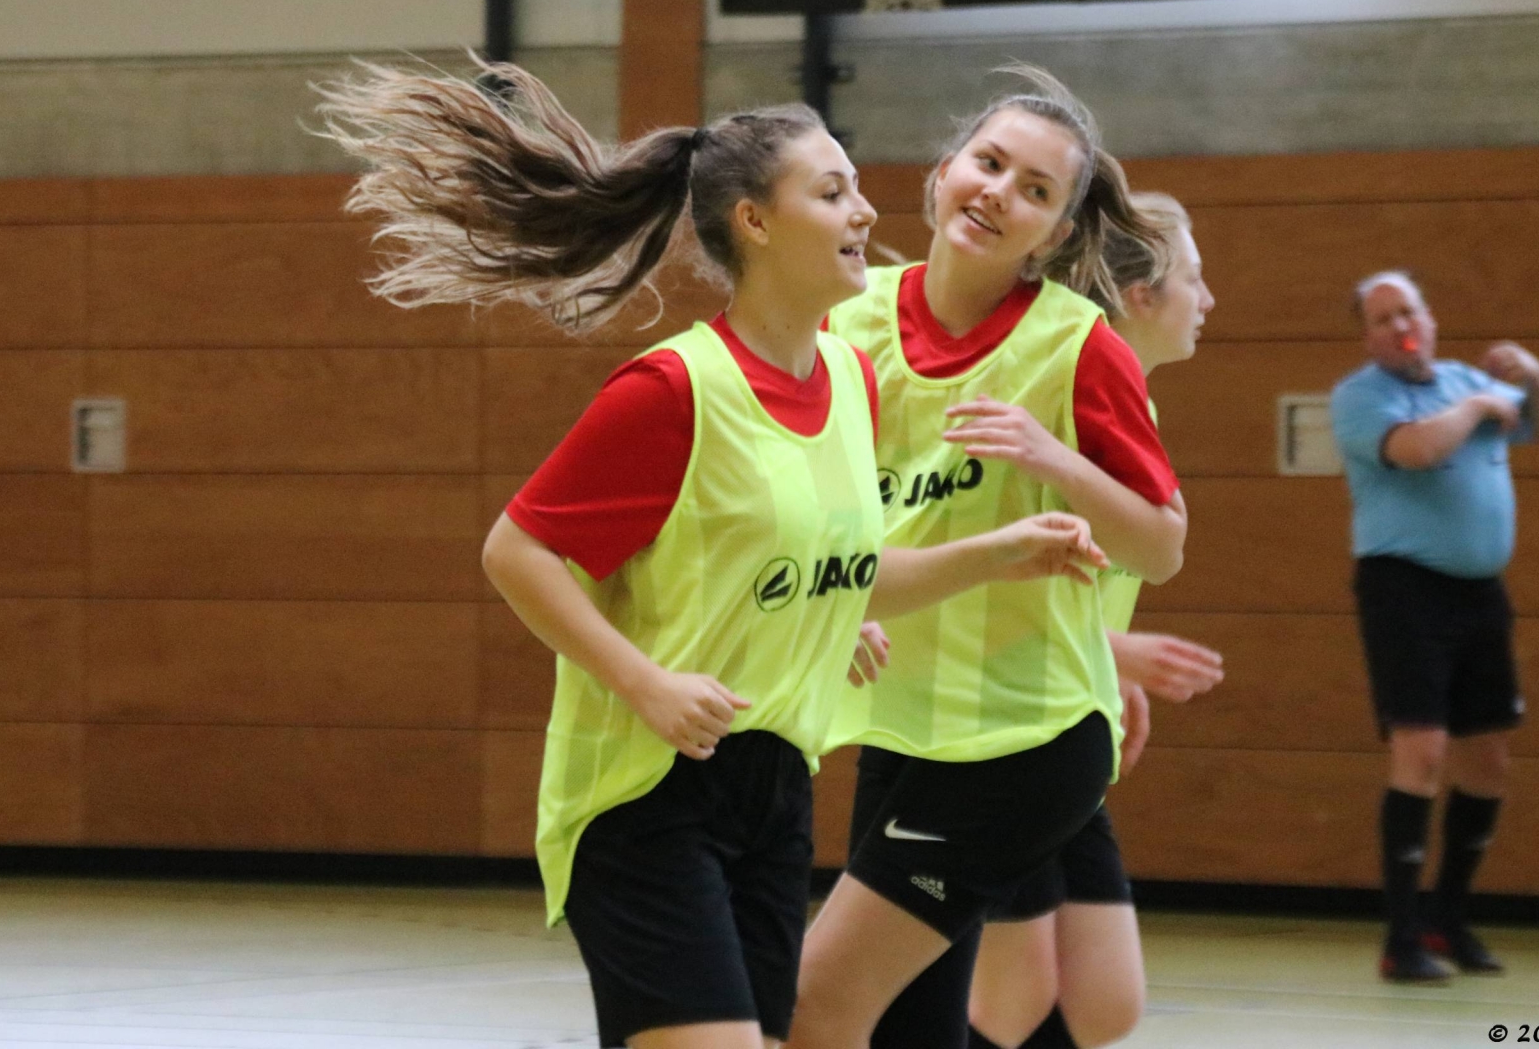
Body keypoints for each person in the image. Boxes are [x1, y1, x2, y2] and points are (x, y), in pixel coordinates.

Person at [318, 61, 1110, 1049]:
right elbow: (517, 551)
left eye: (856, 187)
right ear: (756, 222)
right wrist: (643, 681)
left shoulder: (850, 381)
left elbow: (842, 567)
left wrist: (977, 561)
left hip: (775, 791)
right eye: (832, 192)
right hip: (649, 791)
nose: (865, 209)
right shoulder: (672, 390)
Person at [789, 67, 1190, 1049]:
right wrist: (834, 606)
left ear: (1052, 234)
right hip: (900, 728)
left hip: (1018, 743)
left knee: (817, 1003)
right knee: (914, 1027)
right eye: (991, 162)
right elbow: (807, 512)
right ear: (943, 174)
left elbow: (1161, 545)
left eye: (1036, 189)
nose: (1001, 191)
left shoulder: (1076, 346)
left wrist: (1054, 459)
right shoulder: (846, 322)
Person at [964, 192, 1224, 1049]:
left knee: (1104, 1002)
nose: (1208, 298)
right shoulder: (1053, 399)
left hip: (1066, 720)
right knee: (1011, 999)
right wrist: (1110, 649)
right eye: (1194, 278)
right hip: (997, 730)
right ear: (1141, 296)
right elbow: (977, 588)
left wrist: (1103, 666)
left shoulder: (1130, 407)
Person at [1329, 270, 1539, 984]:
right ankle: (1401, 939)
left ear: (1429, 318)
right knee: (1422, 751)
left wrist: (1534, 377)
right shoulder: (1360, 397)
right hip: (1405, 590)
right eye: (1383, 319)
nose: (1401, 325)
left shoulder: (1466, 380)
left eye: (1409, 311)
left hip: (1479, 593)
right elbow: (1418, 449)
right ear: (1368, 338)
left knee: (1488, 762)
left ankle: (1448, 919)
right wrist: (1480, 405)